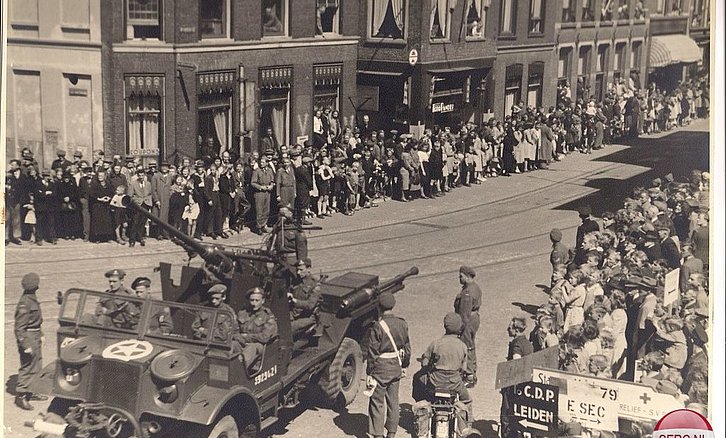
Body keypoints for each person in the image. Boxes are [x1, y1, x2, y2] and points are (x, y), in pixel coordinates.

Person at [415, 313, 473, 434]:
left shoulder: (436, 343)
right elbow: (464, 368)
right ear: (459, 328)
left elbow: (424, 363)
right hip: (455, 384)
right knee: (467, 401)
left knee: (417, 378)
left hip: (435, 382)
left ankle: (421, 406)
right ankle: (466, 428)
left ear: (445, 326)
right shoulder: (462, 346)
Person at [364, 292, 411, 438]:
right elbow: (407, 348)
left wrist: (370, 372)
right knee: (393, 402)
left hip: (380, 370)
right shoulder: (402, 323)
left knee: (377, 402)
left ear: (379, 307)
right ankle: (391, 433)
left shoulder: (378, 326)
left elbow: (372, 352)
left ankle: (378, 435)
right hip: (396, 367)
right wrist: (404, 365)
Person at [14, 273, 48, 410]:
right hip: (28, 337)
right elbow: (19, 327)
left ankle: (32, 391)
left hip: (35, 334)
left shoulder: (31, 298)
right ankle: (21, 395)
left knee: (37, 364)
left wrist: (41, 334)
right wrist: (25, 344)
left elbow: (36, 322)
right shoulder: (25, 302)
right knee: (28, 365)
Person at [500, 316, 534, 438]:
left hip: (513, 385)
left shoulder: (517, 345)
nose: (507, 329)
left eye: (509, 327)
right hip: (524, 384)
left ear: (516, 330)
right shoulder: (527, 343)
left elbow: (516, 363)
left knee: (506, 414)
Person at [236, 287, 278, 370]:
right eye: (252, 300)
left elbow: (264, 337)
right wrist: (239, 338)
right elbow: (234, 330)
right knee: (233, 344)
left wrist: (246, 337)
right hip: (242, 342)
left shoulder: (267, 316)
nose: (254, 303)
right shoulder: (242, 313)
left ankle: (238, 371)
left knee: (252, 347)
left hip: (259, 346)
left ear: (262, 301)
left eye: (257, 300)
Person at [454, 266, 481, 385]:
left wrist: (459, 327)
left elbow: (464, 313)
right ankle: (471, 371)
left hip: (468, 320)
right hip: (474, 318)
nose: (459, 278)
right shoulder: (475, 287)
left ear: (467, 276)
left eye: (461, 276)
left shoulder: (467, 292)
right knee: (471, 345)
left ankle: (469, 375)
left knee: (467, 346)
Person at [288, 258, 322, 335]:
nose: (298, 272)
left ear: (309, 269)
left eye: (301, 270)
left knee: (288, 328)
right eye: (297, 270)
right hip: (294, 313)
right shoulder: (296, 281)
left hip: (308, 317)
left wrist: (295, 301)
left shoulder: (315, 284)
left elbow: (310, 305)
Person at [128, 167, 153, 247]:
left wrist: (148, 201)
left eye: (143, 175)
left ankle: (140, 237)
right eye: (140, 175)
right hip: (137, 205)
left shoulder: (148, 183)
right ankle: (132, 240)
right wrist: (135, 202)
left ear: (145, 176)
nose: (141, 177)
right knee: (135, 222)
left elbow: (150, 193)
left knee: (143, 222)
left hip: (146, 204)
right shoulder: (133, 184)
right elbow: (130, 195)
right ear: (137, 176)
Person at [251, 155, 275, 234]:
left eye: (263, 162)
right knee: (259, 210)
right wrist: (261, 187)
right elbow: (253, 183)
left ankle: (264, 225)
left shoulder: (270, 171)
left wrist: (271, 185)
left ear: (267, 163)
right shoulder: (257, 171)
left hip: (267, 193)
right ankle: (259, 227)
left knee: (266, 210)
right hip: (259, 193)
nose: (261, 164)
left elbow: (272, 180)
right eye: (260, 162)